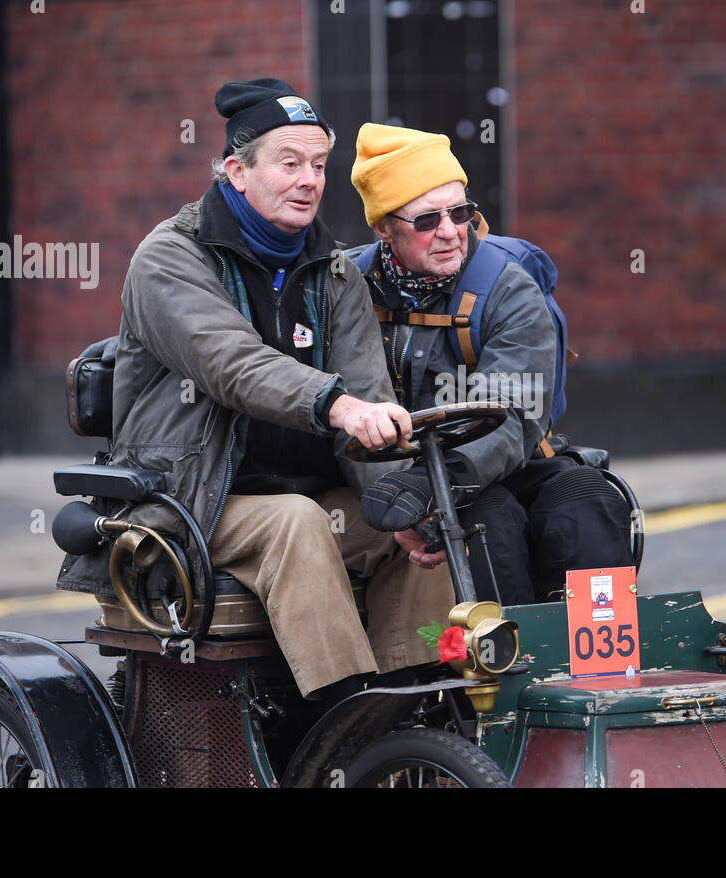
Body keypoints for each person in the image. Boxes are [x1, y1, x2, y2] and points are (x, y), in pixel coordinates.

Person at [56, 81, 452, 704]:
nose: (309, 181)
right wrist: (338, 405)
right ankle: (345, 725)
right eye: (289, 163)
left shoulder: (334, 271)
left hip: (307, 497)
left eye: (319, 165)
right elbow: (233, 364)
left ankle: (415, 712)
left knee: (419, 527)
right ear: (237, 172)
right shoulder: (168, 258)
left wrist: (400, 504)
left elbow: (369, 387)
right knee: (297, 523)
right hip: (189, 502)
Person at [347, 123, 633, 605]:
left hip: (498, 458)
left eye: (460, 212)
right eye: (426, 221)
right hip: (397, 479)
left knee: (588, 498)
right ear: (383, 229)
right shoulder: (346, 288)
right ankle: (503, 670)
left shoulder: (507, 285)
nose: (450, 232)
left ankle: (600, 669)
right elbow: (342, 406)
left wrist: (436, 482)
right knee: (487, 518)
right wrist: (402, 501)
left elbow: (511, 410)